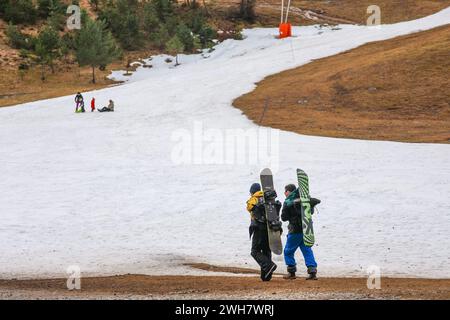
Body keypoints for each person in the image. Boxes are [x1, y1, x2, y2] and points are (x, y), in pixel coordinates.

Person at [281, 184, 320, 280]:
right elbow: (310, 212)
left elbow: (284, 218)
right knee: (307, 250)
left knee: (288, 251)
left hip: (295, 230)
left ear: (289, 191)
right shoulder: (305, 199)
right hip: (306, 229)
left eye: (285, 191)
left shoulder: (288, 201)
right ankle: (312, 271)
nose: (284, 193)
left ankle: (291, 272)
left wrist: (288, 210)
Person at [246, 183, 279, 281]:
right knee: (266, 250)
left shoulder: (254, 198)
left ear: (252, 191)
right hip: (269, 228)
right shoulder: (268, 198)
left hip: (258, 228)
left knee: (255, 251)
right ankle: (266, 276)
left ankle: (269, 266)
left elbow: (249, 207)